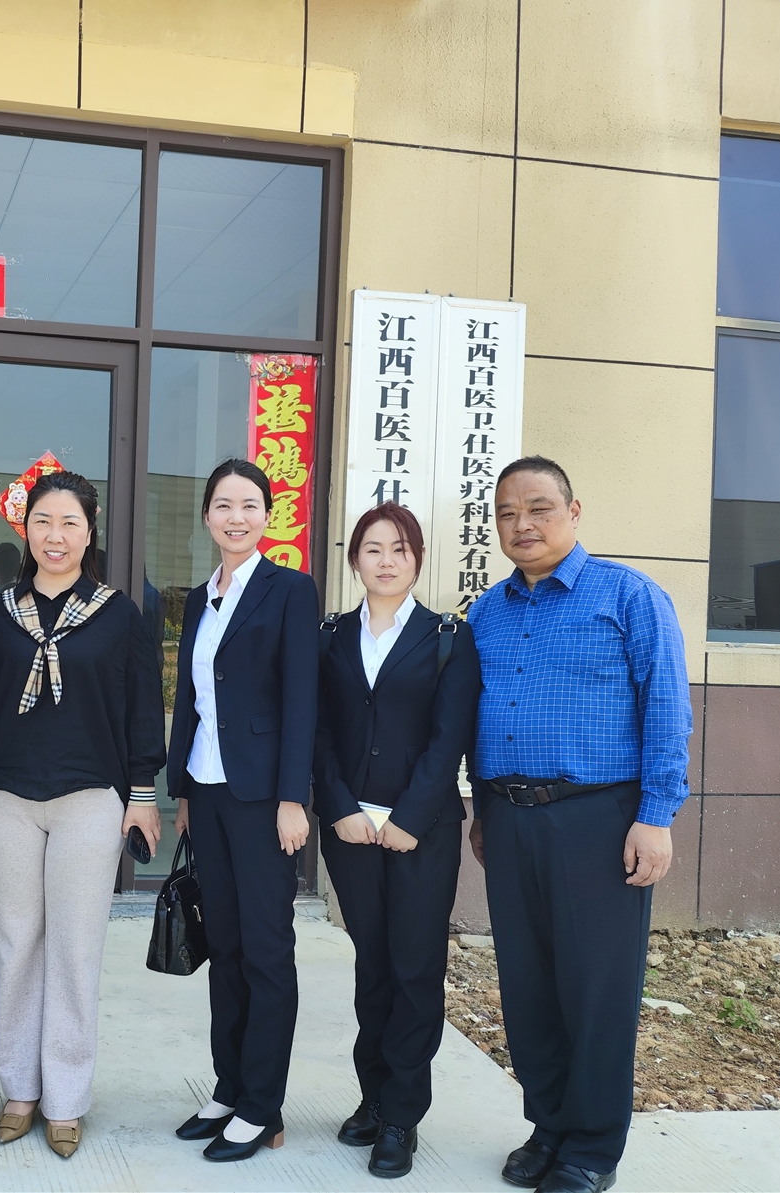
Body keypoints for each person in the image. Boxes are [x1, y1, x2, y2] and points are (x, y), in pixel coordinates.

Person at [467, 456, 691, 1193]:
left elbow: (667, 710)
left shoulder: (629, 596)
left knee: (597, 988)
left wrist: (655, 816)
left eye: (538, 508)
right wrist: (482, 810)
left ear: (574, 511)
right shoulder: (488, 612)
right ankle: (549, 1125)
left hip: (599, 819)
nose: (522, 524)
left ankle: (592, 1146)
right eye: (507, 513)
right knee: (527, 983)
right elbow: (477, 714)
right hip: (509, 817)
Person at [0, 471, 165, 1158]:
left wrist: (143, 793)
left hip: (90, 797)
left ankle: (67, 1097)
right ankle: (20, 1088)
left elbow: (142, 707)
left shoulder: (119, 614)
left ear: (90, 530)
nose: (55, 536)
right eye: (43, 522)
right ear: (26, 529)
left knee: (76, 949)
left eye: (69, 523)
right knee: (17, 943)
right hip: (8, 797)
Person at [313, 502, 480, 1179]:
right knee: (373, 964)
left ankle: (402, 1117)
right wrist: (339, 807)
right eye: (373, 548)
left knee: (415, 968)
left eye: (400, 548)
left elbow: (450, 738)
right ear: (355, 559)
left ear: (417, 559)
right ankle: (373, 1096)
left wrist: (410, 815)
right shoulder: (330, 635)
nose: (386, 560)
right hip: (350, 828)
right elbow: (317, 730)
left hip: (422, 830)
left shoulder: (448, 637)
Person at [165, 458, 318, 1162]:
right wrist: (183, 791)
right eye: (223, 505)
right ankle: (228, 1088)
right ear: (207, 516)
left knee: (265, 950)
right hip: (209, 791)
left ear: (267, 516)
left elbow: (301, 699)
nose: (236, 516)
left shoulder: (290, 590)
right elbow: (191, 702)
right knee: (223, 947)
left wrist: (293, 796)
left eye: (249, 504)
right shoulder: (200, 598)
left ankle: (262, 1105)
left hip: (263, 799)